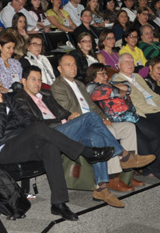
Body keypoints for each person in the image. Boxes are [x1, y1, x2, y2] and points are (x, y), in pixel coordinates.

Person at [0, 69, 113, 221]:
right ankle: (86, 152)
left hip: (23, 141)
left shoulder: (5, 98)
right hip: (2, 149)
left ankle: (59, 203)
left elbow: (26, 119)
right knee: (38, 128)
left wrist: (31, 133)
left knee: (50, 146)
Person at [50, 54, 148, 191]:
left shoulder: (79, 84)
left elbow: (92, 106)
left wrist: (104, 118)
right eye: (68, 65)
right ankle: (113, 177)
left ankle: (127, 175)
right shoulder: (58, 86)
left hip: (95, 120)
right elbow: (68, 110)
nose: (73, 67)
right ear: (60, 69)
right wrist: (96, 120)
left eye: (74, 64)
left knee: (129, 128)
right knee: (111, 131)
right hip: (82, 125)